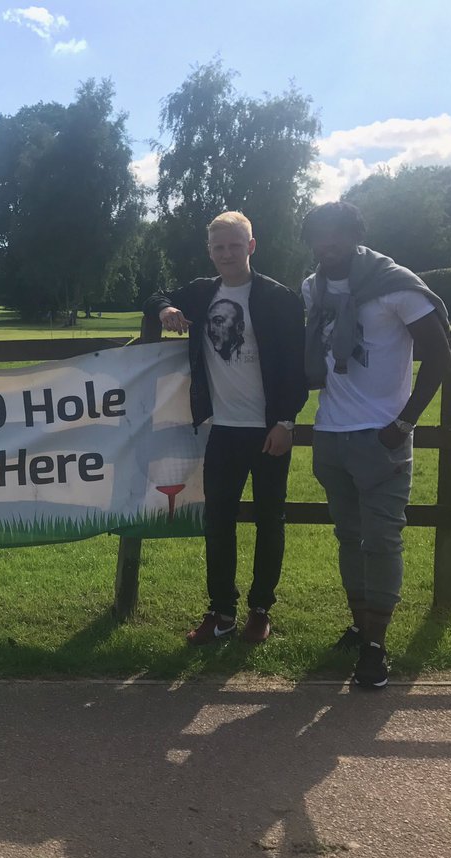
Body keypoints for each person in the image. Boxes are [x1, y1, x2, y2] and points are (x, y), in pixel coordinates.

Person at [301, 201, 450, 689]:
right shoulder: (313, 288)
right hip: (331, 434)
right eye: (320, 235)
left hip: (382, 436)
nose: (329, 243)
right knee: (349, 538)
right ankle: (361, 624)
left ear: (355, 234)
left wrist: (404, 423)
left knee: (382, 541)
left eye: (338, 233)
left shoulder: (395, 285)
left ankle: (375, 647)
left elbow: (440, 354)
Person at [145, 211, 307, 646]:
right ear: (209, 251)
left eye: (236, 245)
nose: (227, 254)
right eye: (219, 247)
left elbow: (297, 368)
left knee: (270, 520)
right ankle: (221, 611)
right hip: (224, 430)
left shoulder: (279, 298)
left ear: (251, 246)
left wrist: (286, 422)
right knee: (218, 522)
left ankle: (260, 608)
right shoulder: (202, 293)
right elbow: (156, 295)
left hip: (269, 431)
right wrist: (168, 309)